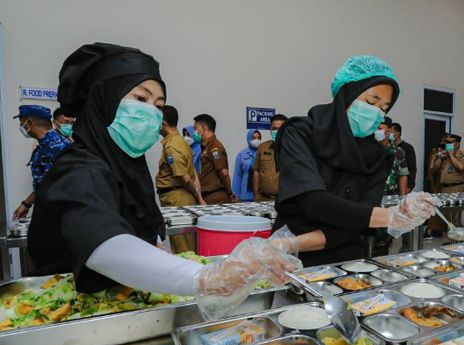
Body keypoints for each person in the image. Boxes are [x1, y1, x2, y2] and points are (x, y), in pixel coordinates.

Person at [27, 43, 296, 321]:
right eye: (141, 99)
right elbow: (103, 244)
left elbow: (139, 228)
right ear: (103, 100)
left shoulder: (125, 166)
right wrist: (208, 277)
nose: (152, 113)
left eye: (159, 106)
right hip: (60, 313)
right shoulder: (78, 168)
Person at [272, 55, 437, 266]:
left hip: (346, 260)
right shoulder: (300, 133)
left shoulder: (379, 157)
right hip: (286, 258)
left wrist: (292, 243)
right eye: (371, 101)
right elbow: (313, 202)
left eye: (384, 108)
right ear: (347, 94)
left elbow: (357, 226)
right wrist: (390, 216)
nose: (376, 112)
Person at [156, 105, 205, 253]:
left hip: (177, 199)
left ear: (163, 123)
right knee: (183, 244)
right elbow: (193, 173)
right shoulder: (180, 142)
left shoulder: (172, 147)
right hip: (179, 198)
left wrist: (197, 195)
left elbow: (185, 178)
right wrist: (199, 197)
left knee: (183, 248)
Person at [12, 105, 70, 220]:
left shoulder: (57, 145)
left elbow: (65, 184)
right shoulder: (43, 146)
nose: (20, 126)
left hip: (61, 214)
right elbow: (44, 182)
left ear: (29, 122)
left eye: (21, 122)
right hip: (49, 210)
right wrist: (26, 204)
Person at [195, 114, 236, 204]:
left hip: (215, 198)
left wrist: (229, 193)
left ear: (203, 128)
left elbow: (224, 173)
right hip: (208, 197)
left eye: (196, 128)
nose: (194, 132)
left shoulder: (214, 147)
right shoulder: (205, 147)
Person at [253, 114, 287, 201]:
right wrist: (256, 193)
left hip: (283, 199)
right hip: (263, 198)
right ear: (270, 130)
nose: (277, 131)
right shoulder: (262, 147)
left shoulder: (292, 149)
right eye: (274, 128)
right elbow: (256, 171)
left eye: (280, 128)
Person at [233, 129, 260, 202]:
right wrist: (236, 194)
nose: (256, 140)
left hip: (260, 194)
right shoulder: (241, 155)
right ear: (248, 139)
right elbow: (237, 176)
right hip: (245, 194)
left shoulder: (263, 154)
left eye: (258, 138)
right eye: (254, 138)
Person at [392, 122, 417, 191]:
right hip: (390, 186)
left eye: (391, 132)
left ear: (397, 134)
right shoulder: (389, 148)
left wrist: (409, 186)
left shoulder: (408, 148)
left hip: (403, 187)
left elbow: (412, 168)